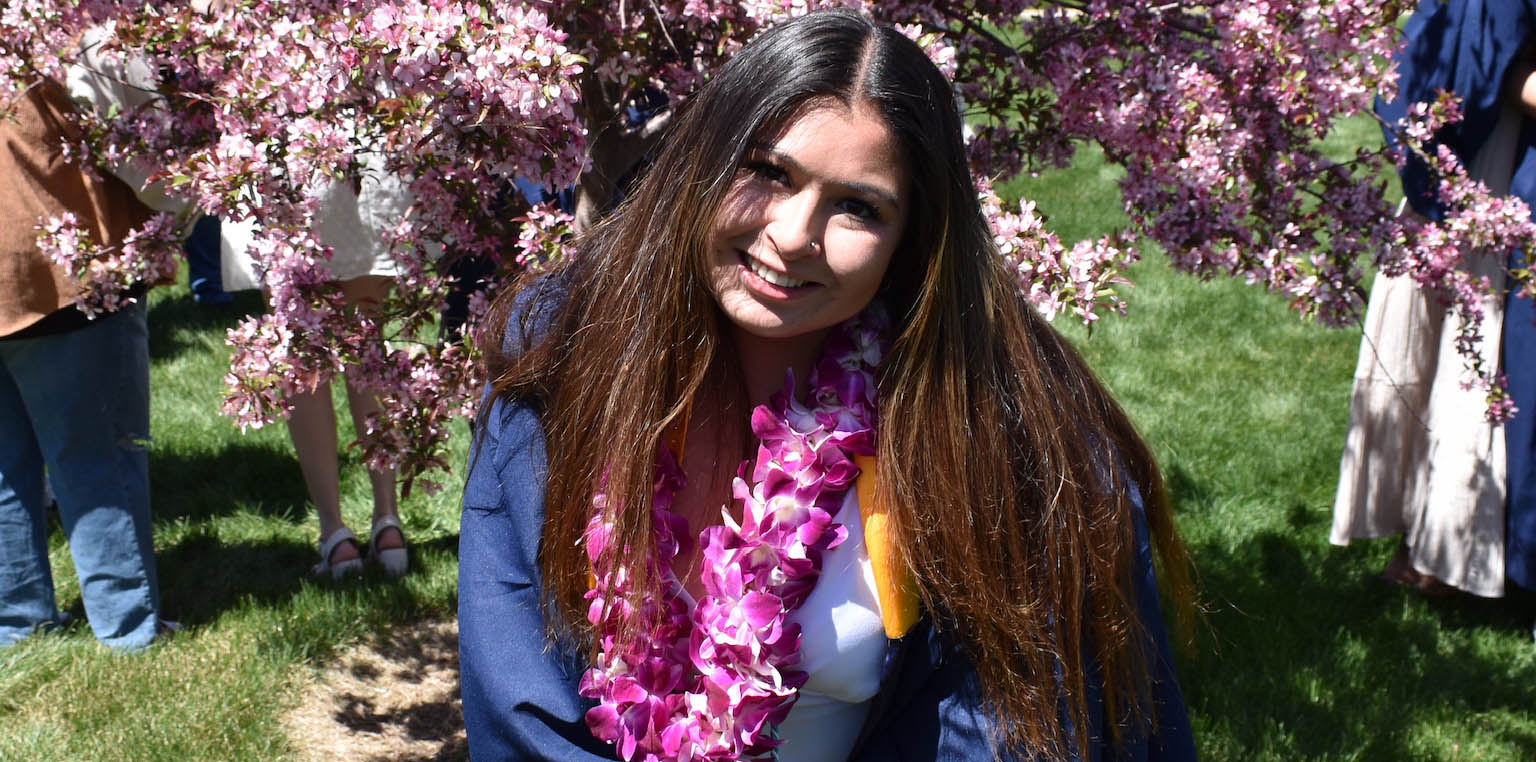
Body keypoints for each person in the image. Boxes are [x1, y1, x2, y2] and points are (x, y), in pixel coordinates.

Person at [459, 10, 1196, 762]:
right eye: (767, 171)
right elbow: (520, 701)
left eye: (857, 206)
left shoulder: (999, 435)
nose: (791, 235)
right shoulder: (563, 354)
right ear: (700, 163)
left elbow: (1004, 733)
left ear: (913, 236)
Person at [1331, 0, 1532, 598]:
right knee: (1467, 344)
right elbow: (1492, 61)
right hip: (1489, 158)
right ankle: (1438, 547)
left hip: (1498, 159)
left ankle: (1444, 546)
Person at [0, 61, 179, 650]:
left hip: (20, 274)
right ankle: (127, 626)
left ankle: (17, 623)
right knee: (97, 460)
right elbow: (137, 144)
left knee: (6, 470)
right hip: (64, 275)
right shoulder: (51, 29)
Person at [221, 158, 411, 579]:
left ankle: (336, 534)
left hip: (281, 164)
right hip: (356, 158)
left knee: (302, 353)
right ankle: (388, 523)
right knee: (367, 341)